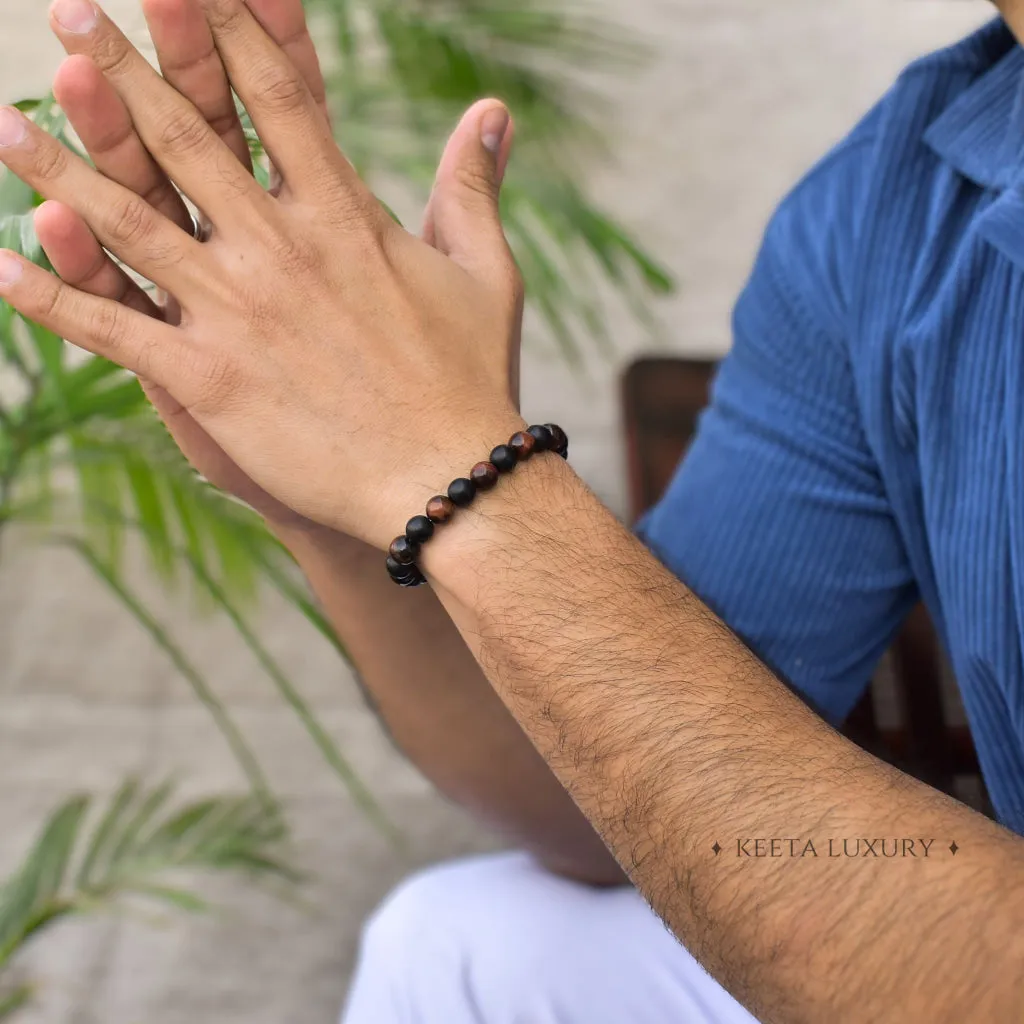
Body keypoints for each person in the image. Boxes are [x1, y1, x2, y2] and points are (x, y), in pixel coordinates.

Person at [1, 0, 1023, 1019]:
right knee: (463, 949)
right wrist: (341, 507)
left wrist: (458, 470)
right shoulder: (902, 195)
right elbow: (651, 813)